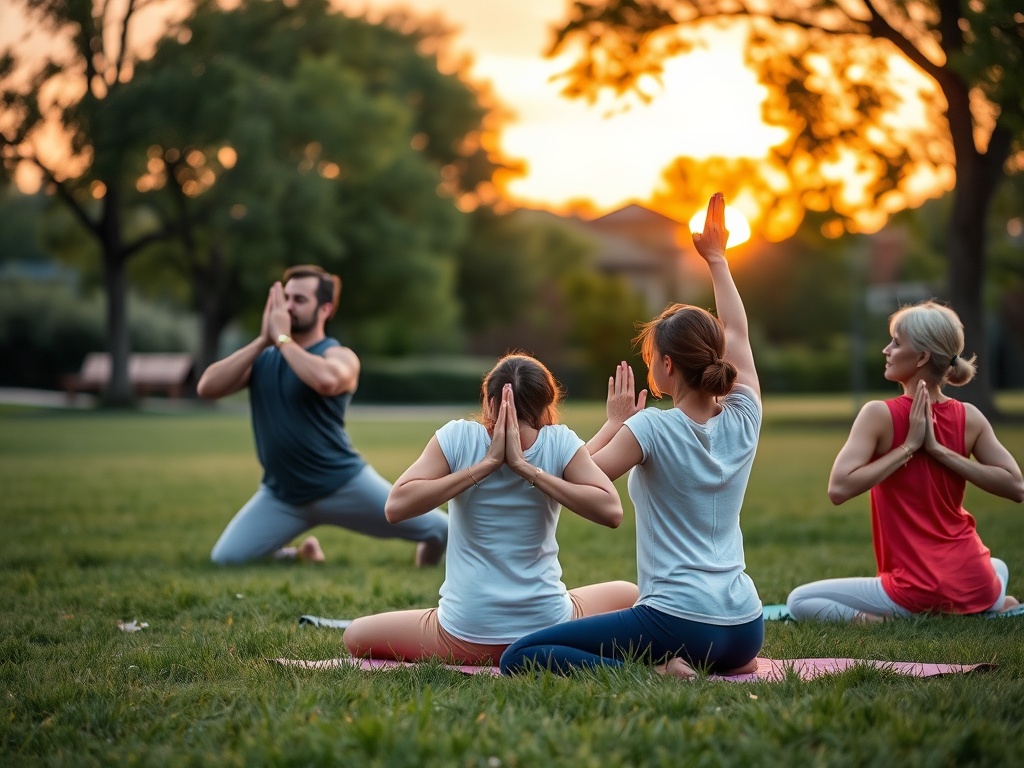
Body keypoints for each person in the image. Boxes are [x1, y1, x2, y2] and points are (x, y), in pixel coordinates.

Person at [500, 193, 764, 679]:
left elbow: (579, 476)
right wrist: (718, 259)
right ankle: (687, 663)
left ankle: (658, 673)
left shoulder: (652, 428)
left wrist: (614, 425)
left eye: (651, 359)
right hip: (745, 626)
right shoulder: (745, 413)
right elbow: (739, 332)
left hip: (678, 622)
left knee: (519, 655)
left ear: (667, 365)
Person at [342, 353, 639, 665]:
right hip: (547, 629)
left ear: (489, 402)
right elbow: (610, 507)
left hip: (463, 636)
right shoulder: (559, 443)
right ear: (544, 405)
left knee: (356, 635)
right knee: (628, 593)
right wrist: (500, 466)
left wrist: (500, 467)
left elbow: (395, 505)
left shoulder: (459, 437)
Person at [786, 301, 1024, 622]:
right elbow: (1016, 486)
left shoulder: (878, 414)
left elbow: (838, 489)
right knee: (996, 567)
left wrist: (928, 449)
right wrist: (915, 446)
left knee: (800, 600)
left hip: (914, 588)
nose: (887, 349)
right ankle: (991, 602)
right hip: (975, 581)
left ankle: (888, 619)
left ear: (923, 356)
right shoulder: (970, 416)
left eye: (896, 343)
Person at [197, 265, 448, 566]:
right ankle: (301, 554)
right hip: (282, 496)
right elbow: (207, 388)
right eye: (285, 298)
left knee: (440, 529)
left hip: (344, 485)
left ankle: (423, 568)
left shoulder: (339, 356)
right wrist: (265, 340)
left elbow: (326, 381)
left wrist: (281, 341)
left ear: (325, 308)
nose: (288, 307)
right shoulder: (264, 357)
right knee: (226, 559)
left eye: (300, 300)